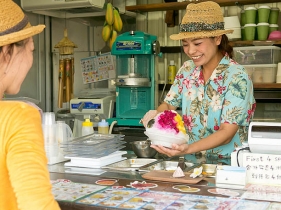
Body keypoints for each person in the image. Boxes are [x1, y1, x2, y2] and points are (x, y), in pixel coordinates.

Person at [142, 1, 256, 158]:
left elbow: (226, 133)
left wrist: (187, 148)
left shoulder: (237, 77)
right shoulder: (187, 70)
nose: (191, 51)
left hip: (228, 167)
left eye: (197, 43)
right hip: (192, 164)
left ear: (217, 39)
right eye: (185, 44)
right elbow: (169, 104)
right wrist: (157, 114)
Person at [0, 0, 60, 209]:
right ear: (8, 52)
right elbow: (37, 205)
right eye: (31, 50)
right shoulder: (16, 116)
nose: (31, 61)